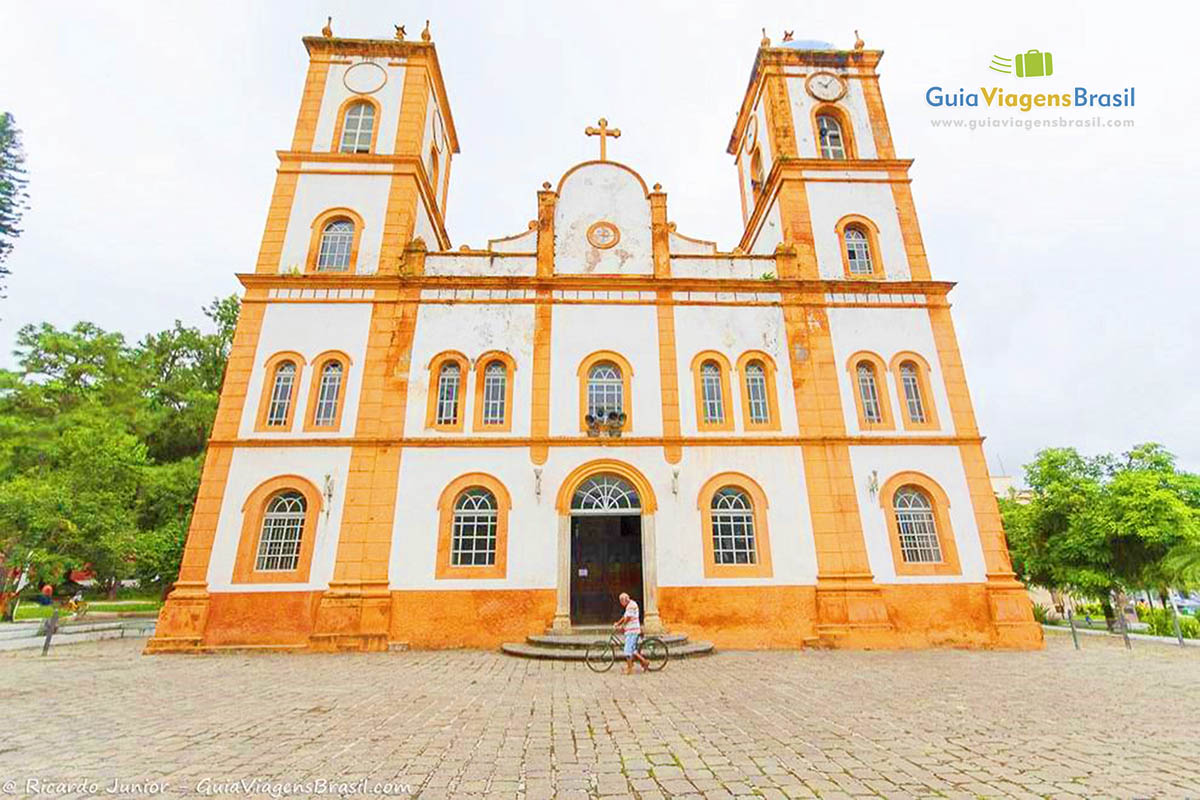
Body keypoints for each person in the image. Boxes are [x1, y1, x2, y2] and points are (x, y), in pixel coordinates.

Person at [613, 592, 649, 675]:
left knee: (627, 650)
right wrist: (618, 623)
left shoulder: (631, 606)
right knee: (633, 650)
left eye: (621, 601)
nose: (621, 604)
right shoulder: (629, 606)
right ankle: (644, 662)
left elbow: (628, 618)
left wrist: (622, 626)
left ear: (624, 600)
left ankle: (630, 669)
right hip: (630, 630)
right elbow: (624, 617)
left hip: (632, 631)